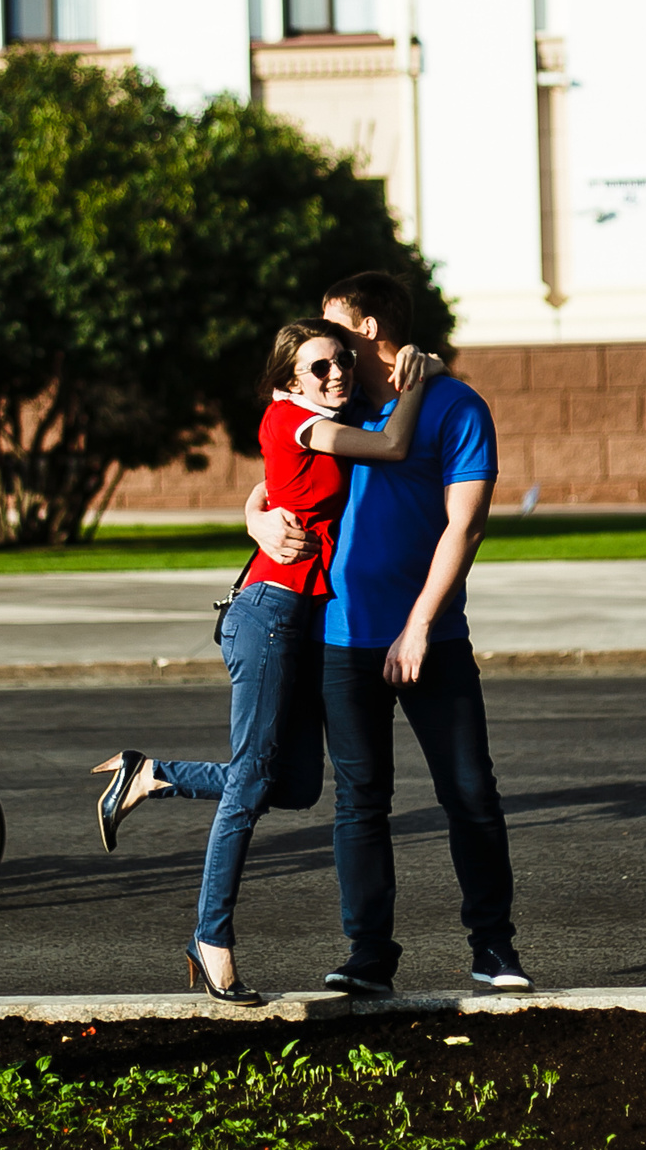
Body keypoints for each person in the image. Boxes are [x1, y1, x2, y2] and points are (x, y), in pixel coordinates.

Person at [90, 321, 442, 1004]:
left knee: (297, 785)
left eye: (342, 362)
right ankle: (211, 939)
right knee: (251, 783)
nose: (337, 375)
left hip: (301, 621)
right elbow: (393, 444)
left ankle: (152, 774)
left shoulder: (302, 423)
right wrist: (419, 382)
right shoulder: (296, 419)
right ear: (288, 382)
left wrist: (257, 512)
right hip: (270, 615)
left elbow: (269, 489)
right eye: (320, 369)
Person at [248, 271, 528, 995]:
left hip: (431, 638)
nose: (326, 340)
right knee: (359, 801)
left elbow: (465, 527)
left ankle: (494, 949)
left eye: (335, 325)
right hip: (339, 634)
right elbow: (274, 482)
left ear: (368, 328)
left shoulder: (453, 405)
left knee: (470, 792)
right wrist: (257, 519)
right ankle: (369, 955)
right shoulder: (330, 404)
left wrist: (419, 627)